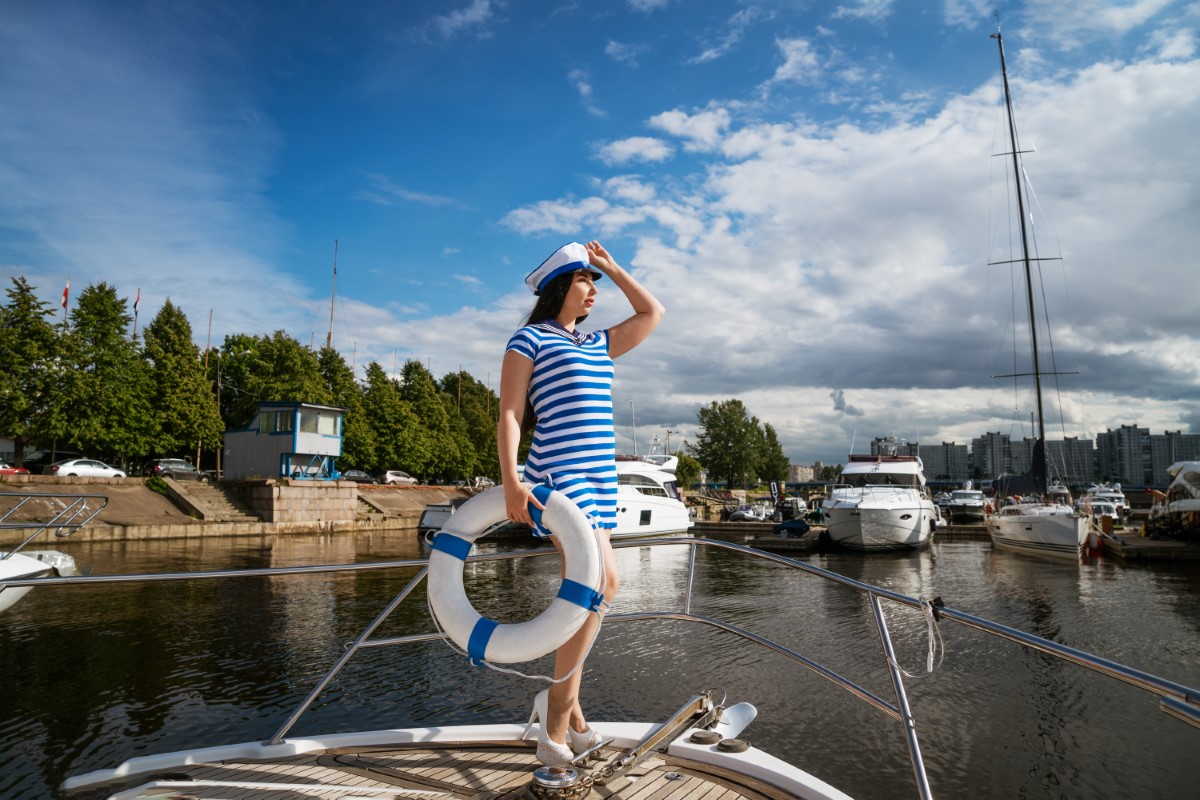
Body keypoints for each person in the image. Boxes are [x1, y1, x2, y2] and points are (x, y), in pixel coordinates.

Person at [497, 240, 664, 765]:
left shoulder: (597, 344)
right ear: (558, 288)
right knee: (603, 582)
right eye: (585, 281)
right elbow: (509, 414)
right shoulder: (529, 340)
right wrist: (510, 483)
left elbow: (651, 312)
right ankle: (554, 722)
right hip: (557, 477)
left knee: (590, 594)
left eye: (596, 282)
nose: (594, 291)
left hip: (600, 479)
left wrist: (615, 267)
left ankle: (571, 715)